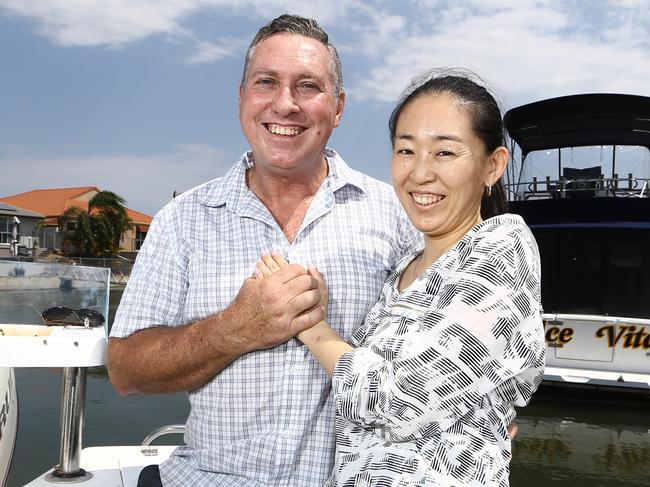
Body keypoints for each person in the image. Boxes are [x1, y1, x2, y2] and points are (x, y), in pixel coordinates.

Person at [106, 14, 421, 487]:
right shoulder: (182, 219)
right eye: (266, 82)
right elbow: (126, 370)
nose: (285, 104)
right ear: (241, 99)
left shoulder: (399, 216)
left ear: (338, 108)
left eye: (308, 86)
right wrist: (235, 328)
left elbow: (439, 356)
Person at [256, 70, 546, 486]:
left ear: (493, 165)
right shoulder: (408, 265)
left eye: (445, 153)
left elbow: (397, 399)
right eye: (406, 151)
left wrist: (308, 323)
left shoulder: (502, 248)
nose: (420, 173)